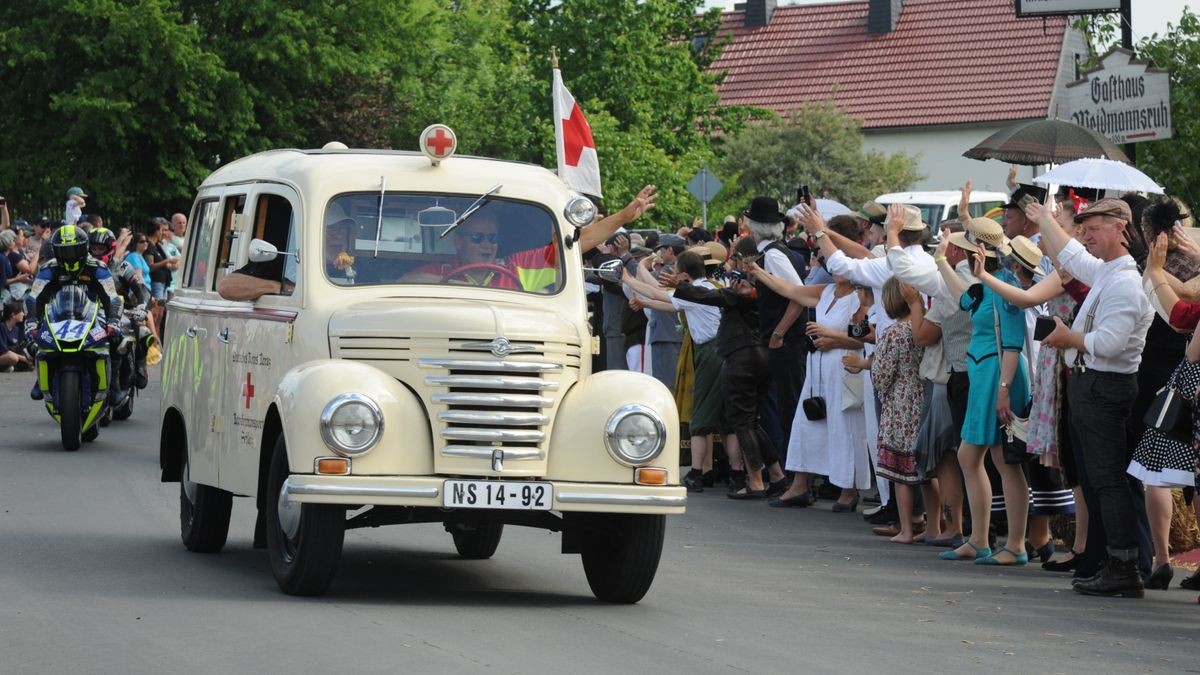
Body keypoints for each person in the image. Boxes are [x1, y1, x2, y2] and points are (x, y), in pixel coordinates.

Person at [1032, 197, 1154, 598]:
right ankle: (1116, 562)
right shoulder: (1108, 271)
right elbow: (1069, 252)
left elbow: (1111, 343)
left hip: (1105, 386)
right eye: (1082, 227)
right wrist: (1044, 218)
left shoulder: (1124, 281)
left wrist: (1069, 338)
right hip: (1092, 384)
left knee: (1108, 481)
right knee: (1101, 480)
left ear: (1121, 228)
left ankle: (1123, 565)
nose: (1084, 235)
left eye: (1093, 227)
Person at [752, 215, 871, 510]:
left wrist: (833, 337)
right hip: (818, 370)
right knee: (807, 424)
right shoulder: (826, 291)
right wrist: (756, 270)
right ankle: (799, 484)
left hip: (845, 368)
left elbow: (866, 338)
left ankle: (848, 489)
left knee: (845, 429)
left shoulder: (862, 298)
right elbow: (790, 290)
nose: (831, 265)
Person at [935, 216, 1033, 567]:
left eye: (962, 247)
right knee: (988, 458)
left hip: (996, 375)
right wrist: (941, 260)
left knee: (998, 459)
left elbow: (1013, 342)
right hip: (985, 372)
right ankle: (984, 540)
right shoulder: (987, 282)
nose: (959, 252)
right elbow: (965, 301)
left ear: (978, 250)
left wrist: (1004, 390)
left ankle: (1010, 543)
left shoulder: (1003, 285)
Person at [621, 250, 723, 492]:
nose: (673, 276)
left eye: (676, 272)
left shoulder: (696, 292)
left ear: (685, 275)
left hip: (710, 352)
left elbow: (659, 292)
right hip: (715, 350)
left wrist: (628, 279)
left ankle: (697, 472)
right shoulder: (708, 286)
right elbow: (667, 302)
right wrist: (644, 299)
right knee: (722, 419)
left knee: (699, 415)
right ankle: (720, 471)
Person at [24, 224, 122, 400]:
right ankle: (42, 378)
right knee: (32, 341)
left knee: (116, 339)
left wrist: (113, 321)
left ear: (84, 248)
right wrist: (31, 322)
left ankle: (113, 385)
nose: (69, 256)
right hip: (57, 315)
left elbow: (111, 297)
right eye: (64, 251)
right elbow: (34, 297)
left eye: (73, 250)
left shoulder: (97, 267)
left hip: (92, 314)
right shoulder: (48, 268)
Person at [0, 301, 32, 372]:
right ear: (13, 315)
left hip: (10, 354)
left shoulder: (16, 329)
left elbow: (16, 347)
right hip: (4, 354)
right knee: (13, 357)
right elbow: (3, 350)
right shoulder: (1, 327)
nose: (23, 314)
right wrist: (22, 358)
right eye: (21, 312)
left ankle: (7, 367)